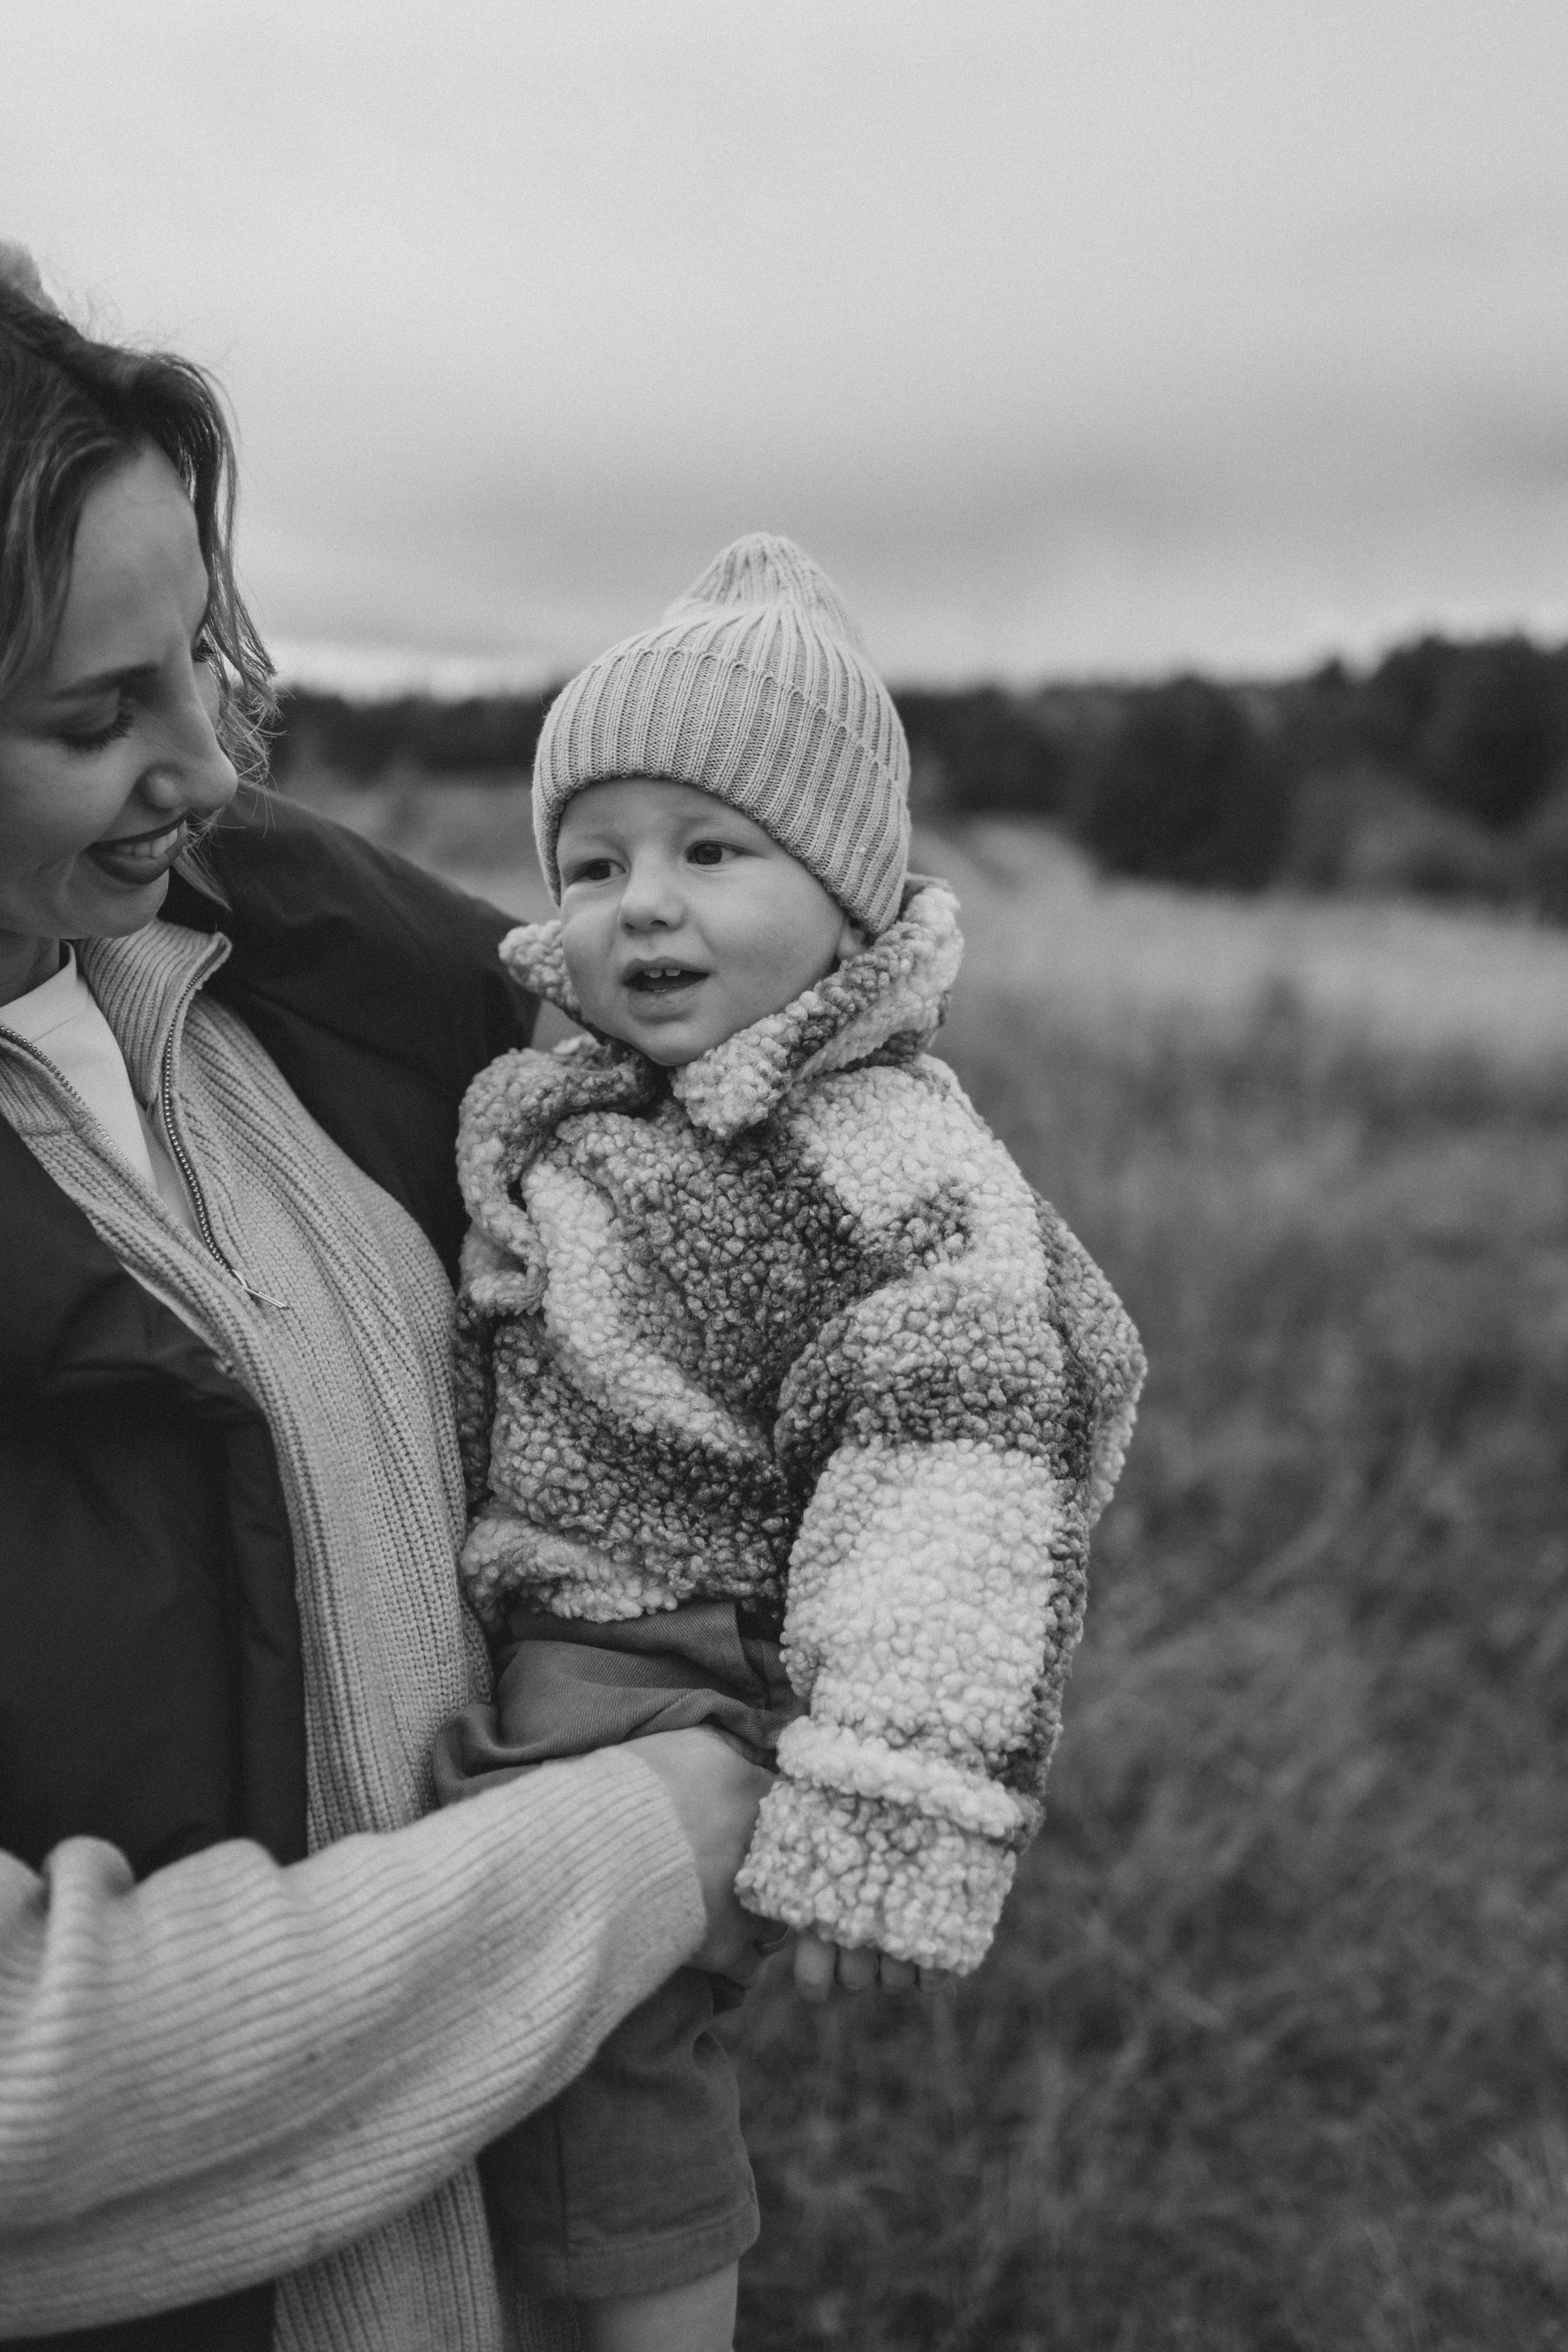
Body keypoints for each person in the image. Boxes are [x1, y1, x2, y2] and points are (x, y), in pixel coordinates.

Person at [0, 250, 782, 2352]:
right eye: (95, 717)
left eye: (203, 660)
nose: (205, 766)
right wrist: (648, 1852)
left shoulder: (296, 987)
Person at [442, 535, 1147, 2352]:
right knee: (499, 2048)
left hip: (676, 1658)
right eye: (593, 864)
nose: (641, 906)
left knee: (613, 2054)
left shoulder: (881, 1157)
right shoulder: (602, 1101)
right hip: (564, 1627)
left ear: (848, 897)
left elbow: (957, 1482)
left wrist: (880, 1792)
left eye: (712, 851)